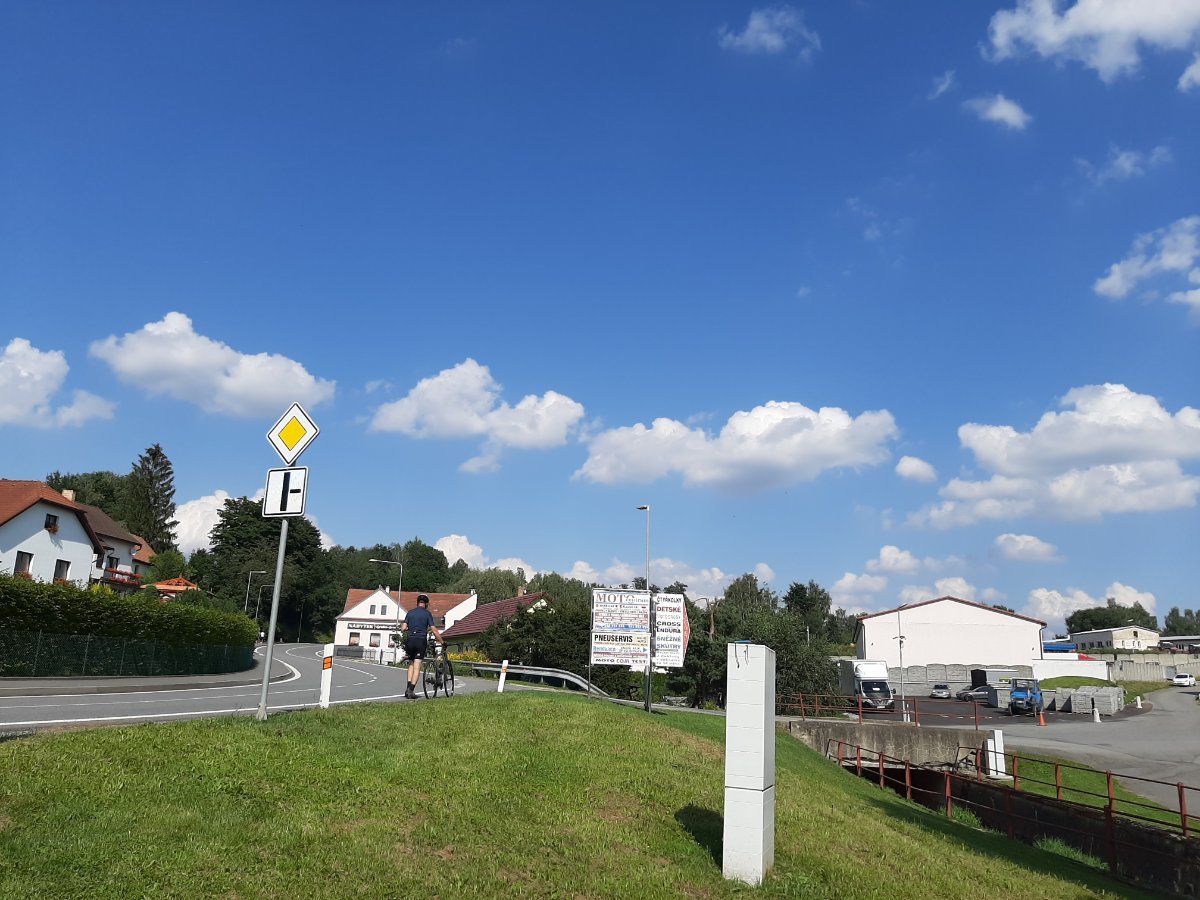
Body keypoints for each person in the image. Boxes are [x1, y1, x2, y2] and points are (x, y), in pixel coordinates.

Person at [401, 593, 444, 699]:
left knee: (411, 664)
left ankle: (407, 688)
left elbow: (403, 628)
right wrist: (442, 641)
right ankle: (411, 690)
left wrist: (410, 628)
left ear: (417, 603)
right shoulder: (427, 614)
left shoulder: (410, 613)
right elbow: (434, 630)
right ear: (426, 604)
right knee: (417, 666)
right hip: (420, 641)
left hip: (410, 640)